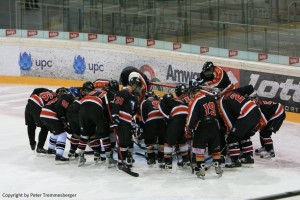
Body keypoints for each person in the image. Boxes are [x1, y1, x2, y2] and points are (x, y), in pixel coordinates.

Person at [218, 85, 260, 168]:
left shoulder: (222, 100)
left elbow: (228, 118)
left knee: (232, 137)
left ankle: (235, 161)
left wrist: (231, 131)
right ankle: (248, 158)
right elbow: (249, 87)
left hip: (246, 113)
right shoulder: (235, 92)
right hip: (256, 111)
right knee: (244, 135)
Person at [186, 86, 223, 179]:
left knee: (199, 148)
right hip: (214, 124)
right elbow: (218, 113)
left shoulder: (196, 99)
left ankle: (201, 169)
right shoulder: (211, 98)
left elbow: (192, 115)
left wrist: (189, 127)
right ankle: (217, 166)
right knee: (215, 148)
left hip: (203, 125)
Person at [78, 83, 116, 167]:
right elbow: (108, 107)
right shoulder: (103, 93)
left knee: (85, 133)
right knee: (104, 133)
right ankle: (109, 159)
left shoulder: (87, 95)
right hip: (95, 108)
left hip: (82, 108)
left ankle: (80, 157)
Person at [111, 72, 141, 169]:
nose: (139, 89)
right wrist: (115, 117)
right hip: (122, 121)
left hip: (128, 122)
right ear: (134, 84)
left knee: (127, 142)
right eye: (138, 86)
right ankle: (121, 162)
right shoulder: (122, 93)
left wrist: (132, 123)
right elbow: (116, 105)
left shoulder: (134, 97)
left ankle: (124, 160)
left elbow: (132, 112)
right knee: (123, 142)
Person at [158, 84, 189, 170]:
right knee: (182, 141)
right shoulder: (186, 102)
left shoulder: (170, 100)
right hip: (186, 120)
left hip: (176, 121)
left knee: (168, 142)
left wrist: (168, 117)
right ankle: (186, 161)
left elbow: (160, 107)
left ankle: (168, 163)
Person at [40, 93, 75, 163]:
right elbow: (58, 108)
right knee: (62, 134)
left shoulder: (59, 99)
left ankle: (50, 150)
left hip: (43, 114)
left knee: (55, 132)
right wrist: (64, 120)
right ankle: (59, 156)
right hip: (50, 115)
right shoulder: (67, 98)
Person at [251, 93, 286, 159]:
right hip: (275, 111)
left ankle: (271, 151)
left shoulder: (256, 107)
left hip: (278, 112)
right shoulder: (257, 104)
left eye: (251, 99)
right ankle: (265, 146)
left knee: (265, 132)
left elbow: (263, 121)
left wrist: (254, 130)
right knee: (262, 130)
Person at [25, 88, 56, 154]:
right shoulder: (57, 99)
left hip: (30, 102)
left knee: (31, 125)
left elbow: (36, 90)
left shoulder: (48, 90)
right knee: (45, 127)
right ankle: (40, 147)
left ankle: (32, 143)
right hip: (37, 106)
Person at [140, 91, 166, 166]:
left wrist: (144, 127)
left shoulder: (144, 102)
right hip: (162, 120)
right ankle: (161, 158)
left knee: (149, 140)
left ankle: (151, 158)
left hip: (151, 121)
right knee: (162, 140)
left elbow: (143, 116)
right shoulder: (159, 101)